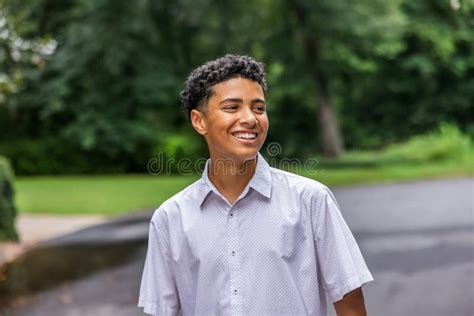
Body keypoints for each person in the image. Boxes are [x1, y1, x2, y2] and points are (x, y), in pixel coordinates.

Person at [138, 55, 373, 315]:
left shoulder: (311, 200)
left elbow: (350, 304)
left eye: (258, 108)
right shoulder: (170, 219)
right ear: (199, 121)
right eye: (232, 107)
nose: (250, 118)